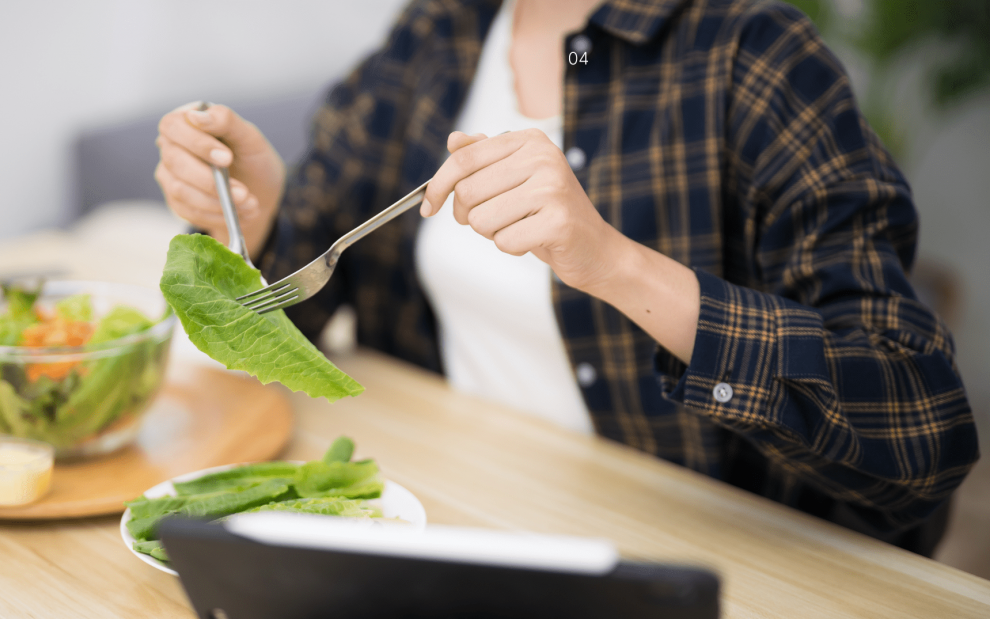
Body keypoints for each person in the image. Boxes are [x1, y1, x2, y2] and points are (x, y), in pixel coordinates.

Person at [153, 0, 979, 554]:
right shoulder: (442, 32)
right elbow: (299, 301)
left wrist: (614, 263)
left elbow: (921, 426)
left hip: (690, 566)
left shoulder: (749, 54)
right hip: (455, 528)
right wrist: (258, 219)